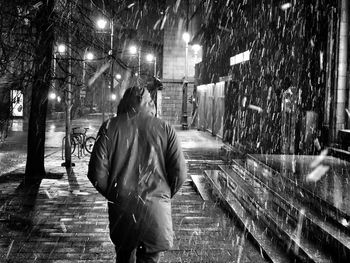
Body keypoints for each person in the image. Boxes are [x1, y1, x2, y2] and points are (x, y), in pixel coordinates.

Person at [87, 86, 187, 263]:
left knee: (124, 256)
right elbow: (179, 173)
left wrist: (115, 194)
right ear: (149, 104)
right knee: (149, 259)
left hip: (122, 210)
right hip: (155, 211)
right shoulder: (165, 129)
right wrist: (162, 195)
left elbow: (96, 173)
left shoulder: (110, 127)